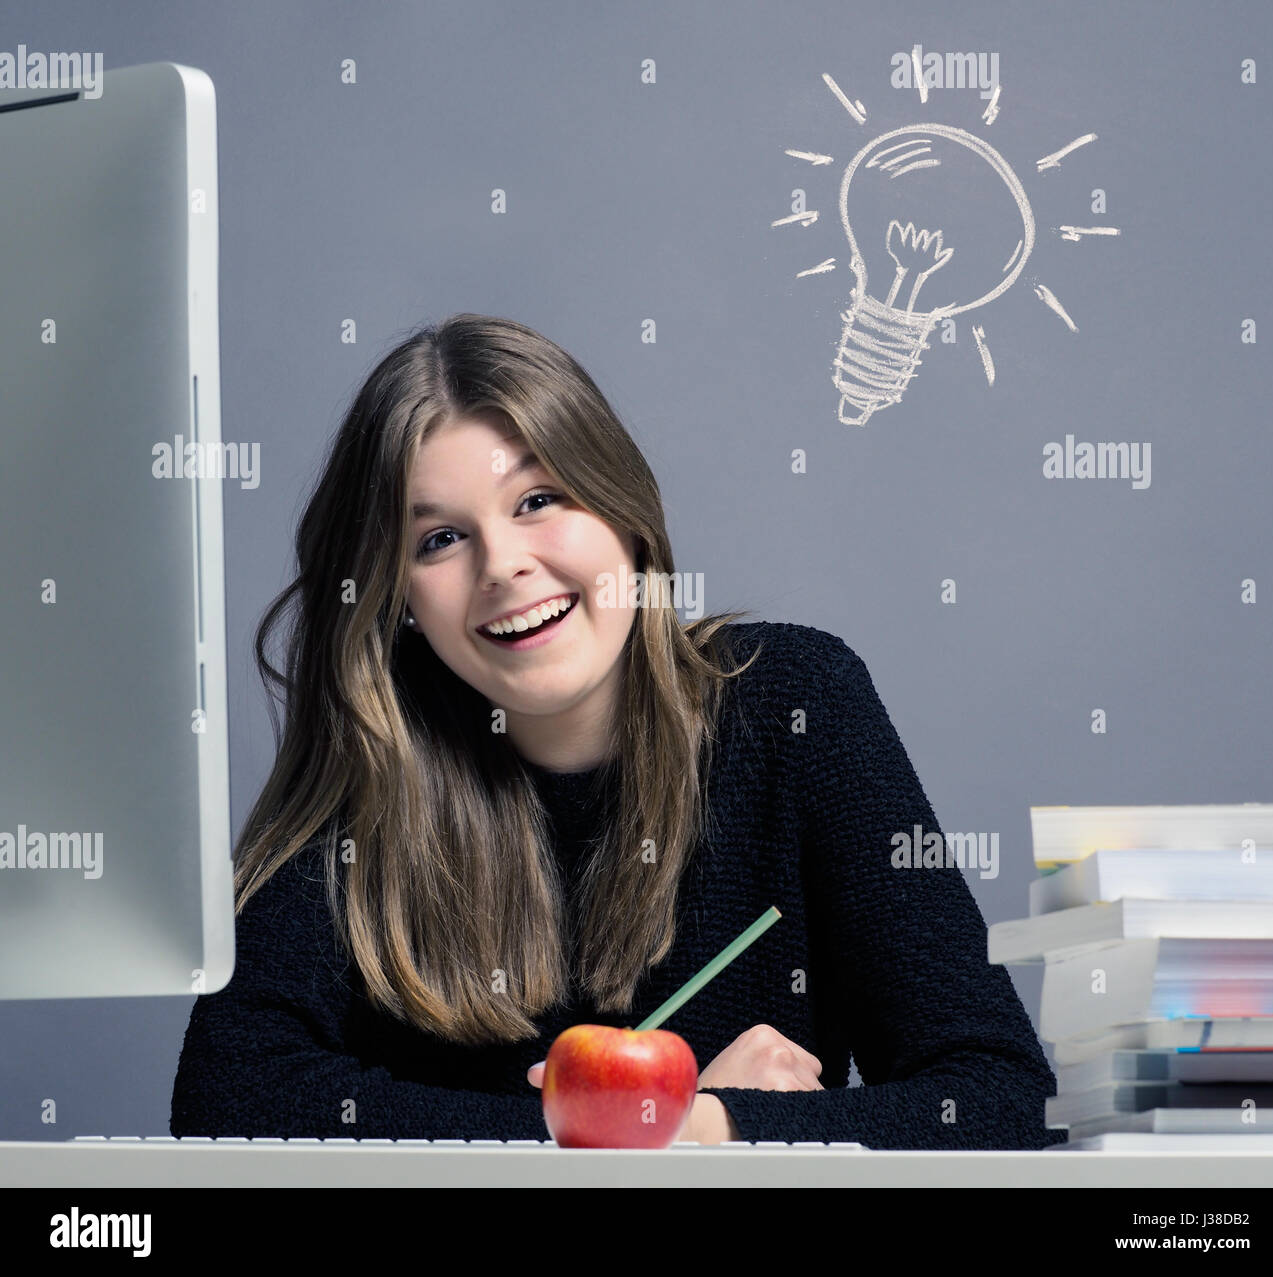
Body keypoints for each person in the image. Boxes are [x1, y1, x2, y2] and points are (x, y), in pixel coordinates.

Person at [170, 313, 1065, 1148]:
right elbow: (226, 1098)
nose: (505, 565)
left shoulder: (795, 705)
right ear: (398, 599)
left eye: (538, 500)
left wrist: (709, 1128)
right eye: (440, 539)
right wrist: (645, 1131)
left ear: (624, 514)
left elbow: (997, 1095)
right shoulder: (374, 767)